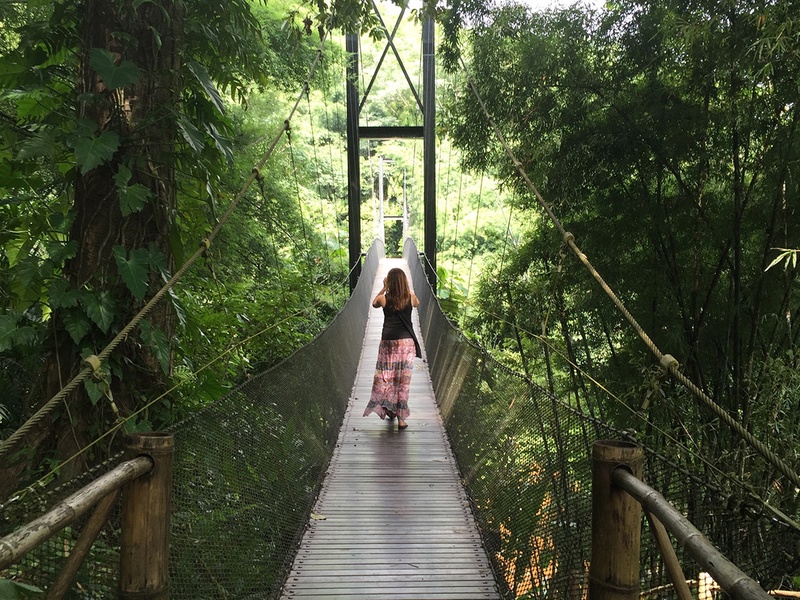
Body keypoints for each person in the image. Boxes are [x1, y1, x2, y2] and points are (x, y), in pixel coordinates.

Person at [363, 267, 421, 430]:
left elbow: (374, 303)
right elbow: (417, 303)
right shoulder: (411, 297)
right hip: (406, 345)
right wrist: (406, 289)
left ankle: (388, 409)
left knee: (386, 378)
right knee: (403, 382)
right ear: (404, 282)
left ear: (389, 282)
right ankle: (400, 419)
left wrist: (384, 287)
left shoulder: (384, 299)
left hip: (388, 343)